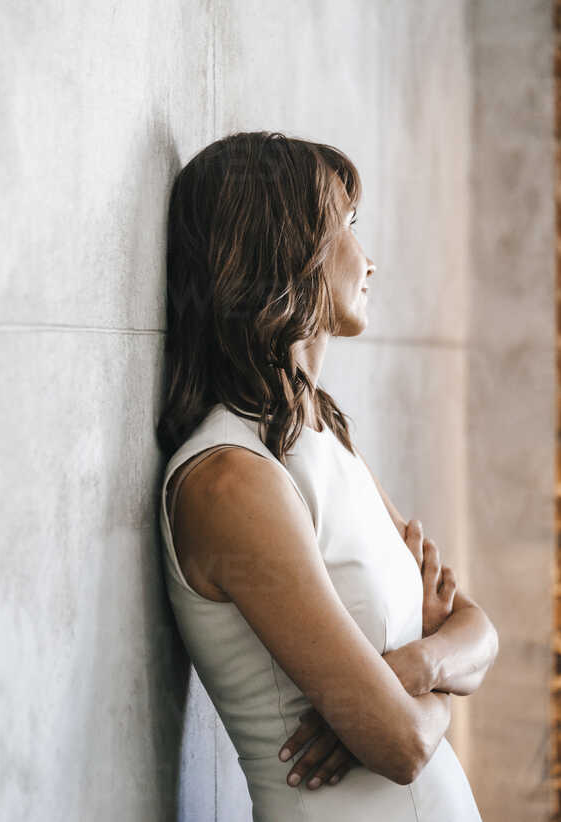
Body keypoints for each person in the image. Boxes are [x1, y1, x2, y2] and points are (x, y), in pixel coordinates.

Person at [155, 131, 499, 821]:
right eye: (347, 226)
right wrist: (425, 692)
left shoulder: (323, 434)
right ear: (290, 251)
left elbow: (478, 634)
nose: (369, 260)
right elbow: (398, 744)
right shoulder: (231, 481)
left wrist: (415, 668)